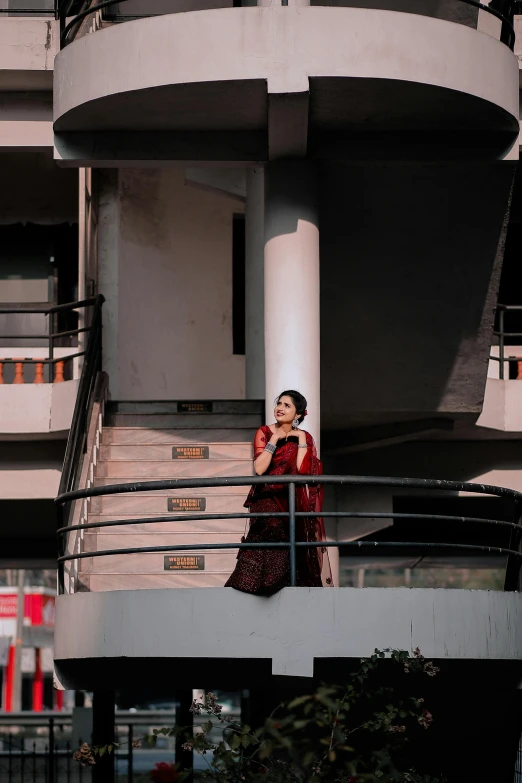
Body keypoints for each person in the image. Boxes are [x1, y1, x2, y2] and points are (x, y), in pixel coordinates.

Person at [225, 390, 333, 595]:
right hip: (265, 498)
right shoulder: (264, 432)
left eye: (287, 405)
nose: (280, 408)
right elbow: (259, 468)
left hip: (290, 499)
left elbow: (303, 471)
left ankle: (282, 584)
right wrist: (274, 440)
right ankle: (256, 583)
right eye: (279, 403)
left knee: (292, 536)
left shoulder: (305, 437)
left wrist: (300, 437)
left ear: (298, 415)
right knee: (271, 528)